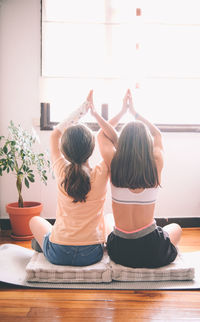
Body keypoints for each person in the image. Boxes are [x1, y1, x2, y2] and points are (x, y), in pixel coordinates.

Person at [90, 89, 182, 268]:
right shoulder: (156, 163)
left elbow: (101, 134)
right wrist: (135, 114)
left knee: (109, 219)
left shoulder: (114, 163)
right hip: (152, 251)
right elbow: (157, 135)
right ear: (147, 143)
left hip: (120, 251)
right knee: (176, 228)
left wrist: (122, 113)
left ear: (121, 143)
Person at [29, 91, 117, 266]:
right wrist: (95, 114)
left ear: (64, 150)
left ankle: (43, 244)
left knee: (34, 220)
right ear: (92, 149)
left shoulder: (61, 170)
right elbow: (115, 139)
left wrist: (83, 108)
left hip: (58, 253)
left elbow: (55, 134)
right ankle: (45, 242)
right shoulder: (102, 171)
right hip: (92, 254)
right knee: (108, 219)